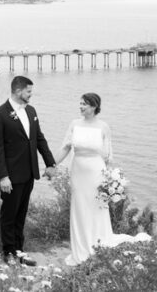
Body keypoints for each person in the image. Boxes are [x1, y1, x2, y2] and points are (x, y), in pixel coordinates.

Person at [53, 92, 151, 266]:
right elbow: (66, 148)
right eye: (80, 103)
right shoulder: (74, 124)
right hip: (78, 172)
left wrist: (108, 179)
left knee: (96, 207)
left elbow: (107, 156)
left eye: (84, 104)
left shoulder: (103, 127)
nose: (80, 106)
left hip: (96, 172)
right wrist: (52, 165)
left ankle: (98, 244)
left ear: (94, 107)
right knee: (80, 207)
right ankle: (80, 248)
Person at [0, 75, 58, 266]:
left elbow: (39, 139)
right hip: (10, 176)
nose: (31, 95)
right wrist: (3, 176)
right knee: (9, 215)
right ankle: (8, 252)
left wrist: (50, 163)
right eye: (28, 91)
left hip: (29, 173)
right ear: (18, 91)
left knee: (21, 214)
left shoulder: (31, 111)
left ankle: (19, 251)